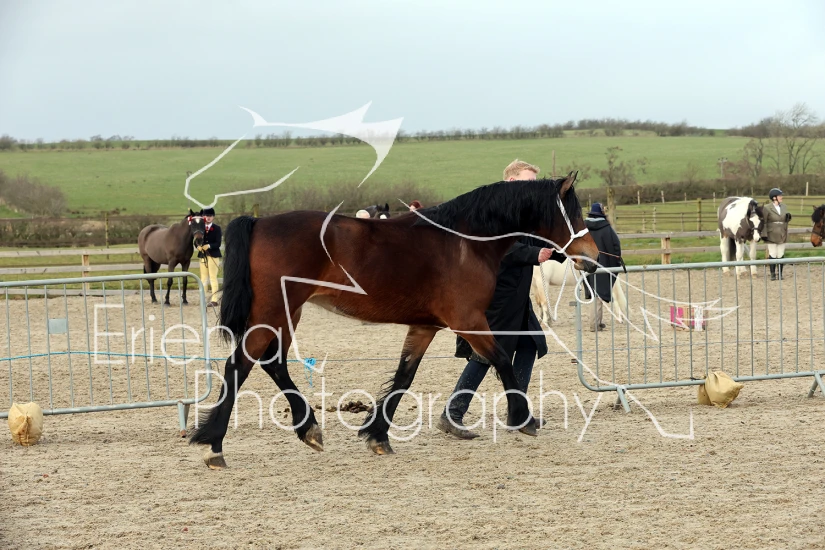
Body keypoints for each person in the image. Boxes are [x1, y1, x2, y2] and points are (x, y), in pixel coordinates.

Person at [438, 159, 565, 439]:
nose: (534, 189)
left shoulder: (523, 213)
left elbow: (537, 243)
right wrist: (533, 254)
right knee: (486, 354)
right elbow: (498, 246)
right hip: (494, 296)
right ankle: (452, 413)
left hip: (517, 297)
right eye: (529, 183)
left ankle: (517, 413)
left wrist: (563, 249)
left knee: (530, 344)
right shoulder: (493, 208)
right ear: (511, 182)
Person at [583, 203, 621, 332]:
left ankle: (597, 322)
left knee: (594, 292)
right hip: (604, 264)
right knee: (598, 294)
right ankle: (594, 324)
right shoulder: (606, 229)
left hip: (587, 264)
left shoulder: (583, 228)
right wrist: (616, 262)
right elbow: (615, 247)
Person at [763, 188, 791, 280]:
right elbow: (764, 222)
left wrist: (788, 218)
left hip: (782, 232)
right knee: (773, 253)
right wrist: (764, 234)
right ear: (774, 198)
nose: (781, 197)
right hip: (771, 233)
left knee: (780, 254)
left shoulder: (784, 207)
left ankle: (780, 273)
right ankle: (772, 274)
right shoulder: (767, 208)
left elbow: (784, 219)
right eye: (780, 196)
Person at [197, 207, 222, 307]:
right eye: (206, 216)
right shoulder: (200, 228)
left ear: (213, 217)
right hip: (203, 256)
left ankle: (214, 300)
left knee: (213, 277)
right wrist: (197, 246)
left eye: (210, 216)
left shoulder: (217, 228)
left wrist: (209, 246)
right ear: (203, 217)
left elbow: (218, 243)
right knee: (203, 278)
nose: (208, 218)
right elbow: (196, 241)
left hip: (213, 256)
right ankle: (202, 299)